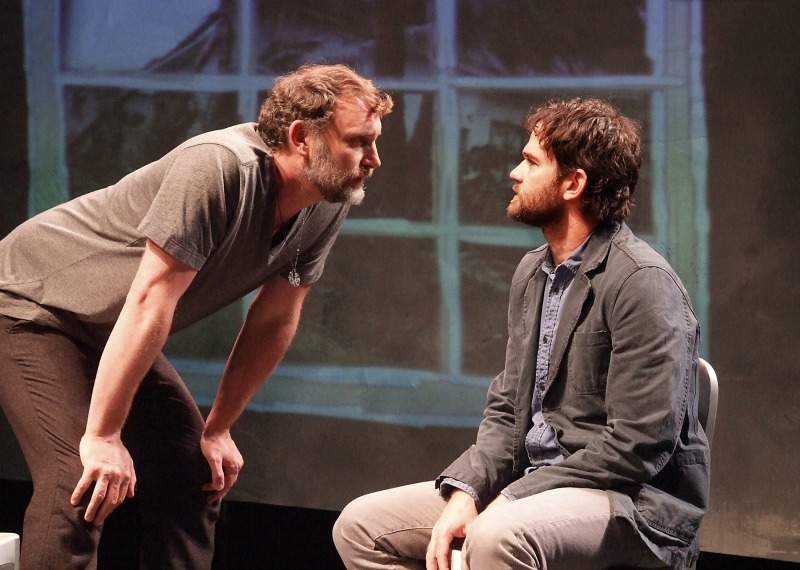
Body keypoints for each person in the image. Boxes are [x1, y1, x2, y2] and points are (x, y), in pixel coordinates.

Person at [0, 63, 392, 569]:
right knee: (80, 479)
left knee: (194, 476)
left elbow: (274, 320)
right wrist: (101, 437)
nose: (374, 160)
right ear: (301, 137)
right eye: (360, 142)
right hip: (31, 306)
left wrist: (218, 429)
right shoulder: (217, 167)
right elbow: (150, 301)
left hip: (107, 325)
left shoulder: (326, 199)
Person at [333, 98, 710, 570]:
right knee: (361, 527)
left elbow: (638, 444)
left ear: (574, 183)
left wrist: (514, 496)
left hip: (631, 502)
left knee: (495, 537)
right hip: (531, 482)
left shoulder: (643, 283)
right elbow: (509, 406)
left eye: (531, 162)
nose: (514, 172)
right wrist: (467, 490)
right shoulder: (535, 271)